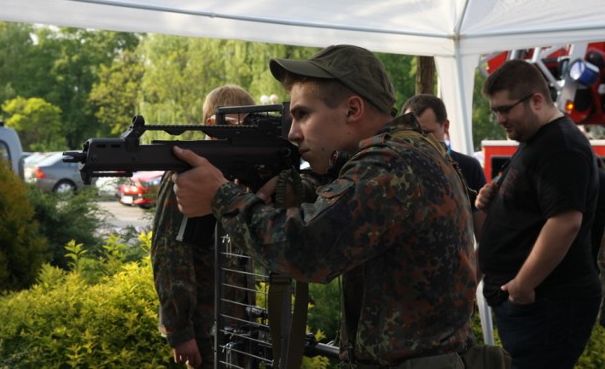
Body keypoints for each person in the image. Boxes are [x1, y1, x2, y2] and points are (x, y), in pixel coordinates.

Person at [170, 44, 478, 367]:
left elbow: (305, 248)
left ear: (352, 110)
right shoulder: (409, 149)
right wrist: (295, 189)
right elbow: (343, 191)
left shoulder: (389, 165)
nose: (292, 132)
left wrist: (220, 197)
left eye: (303, 114)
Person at [475, 59, 602, 369]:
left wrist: (523, 284)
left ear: (536, 100)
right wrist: (491, 198)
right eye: (495, 111)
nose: (500, 118)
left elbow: (565, 222)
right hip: (534, 306)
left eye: (506, 109)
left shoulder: (561, 147)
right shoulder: (537, 140)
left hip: (549, 305)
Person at [151, 84, 256, 369]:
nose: (245, 132)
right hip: (206, 330)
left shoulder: (237, 173)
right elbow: (169, 254)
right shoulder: (186, 175)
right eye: (238, 124)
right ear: (211, 124)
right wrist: (180, 332)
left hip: (239, 326)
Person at [400, 94, 487, 239]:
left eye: (426, 133)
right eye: (411, 134)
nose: (418, 141)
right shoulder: (396, 168)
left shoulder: (468, 167)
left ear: (445, 126)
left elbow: (483, 235)